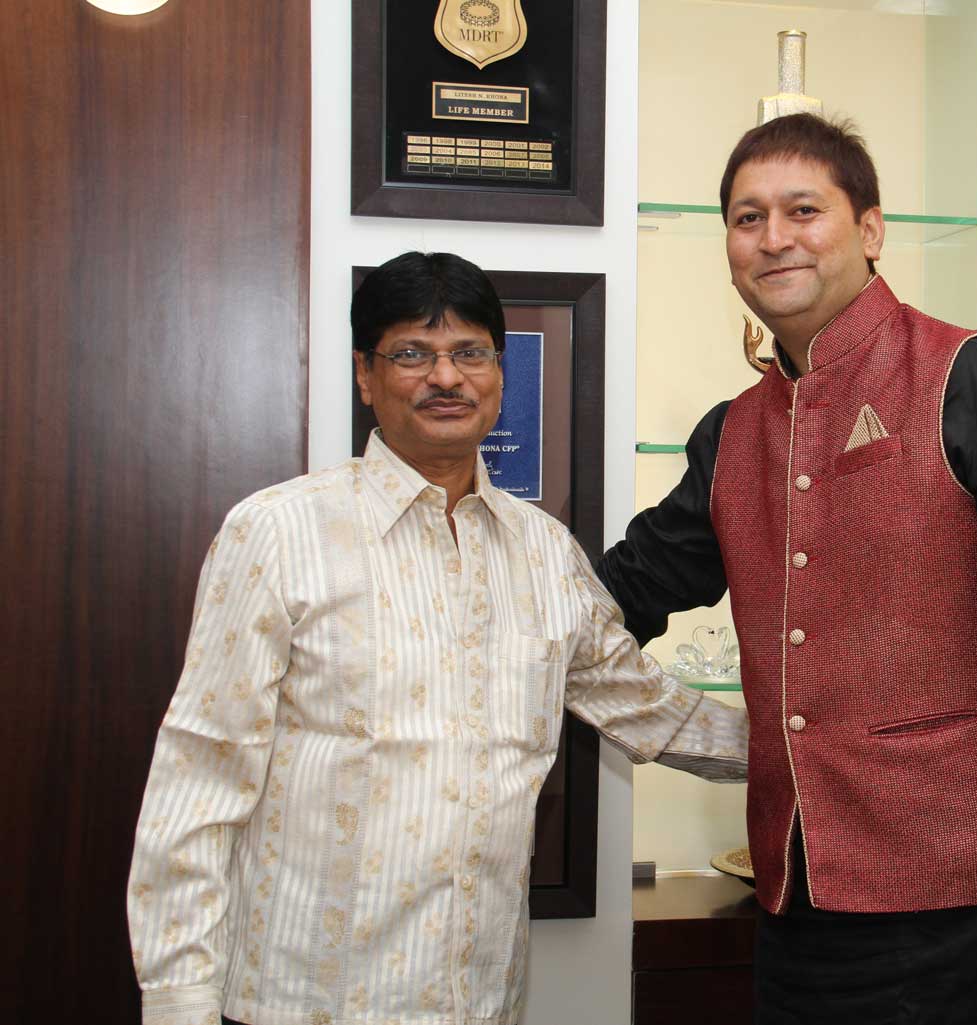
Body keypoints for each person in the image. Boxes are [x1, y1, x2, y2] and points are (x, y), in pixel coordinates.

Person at [596, 114, 977, 1021]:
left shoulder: (974, 382)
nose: (773, 237)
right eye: (746, 218)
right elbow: (625, 589)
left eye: (802, 210)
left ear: (870, 229)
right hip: (799, 913)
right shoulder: (733, 434)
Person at [126, 251, 747, 1025]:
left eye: (470, 352)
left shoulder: (545, 554)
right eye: (413, 353)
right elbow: (200, 776)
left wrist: (824, 756)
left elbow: (652, 711)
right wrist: (178, 1005)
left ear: (500, 373)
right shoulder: (278, 533)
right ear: (365, 374)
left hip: (477, 999)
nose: (446, 377)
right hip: (303, 1002)